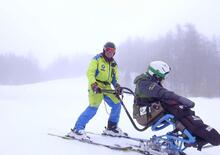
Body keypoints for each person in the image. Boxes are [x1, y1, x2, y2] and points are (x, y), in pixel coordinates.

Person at [133, 60, 220, 150]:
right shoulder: (143, 83)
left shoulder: (152, 82)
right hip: (143, 115)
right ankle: (196, 131)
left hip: (152, 111)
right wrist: (179, 99)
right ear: (156, 74)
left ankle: (196, 130)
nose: (164, 78)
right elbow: (161, 93)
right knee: (170, 103)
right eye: (163, 76)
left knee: (178, 107)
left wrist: (180, 103)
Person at [67, 42, 127, 139]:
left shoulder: (114, 64)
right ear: (104, 50)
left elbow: (114, 78)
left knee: (117, 104)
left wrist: (117, 86)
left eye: (112, 51)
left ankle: (111, 128)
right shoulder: (97, 59)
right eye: (108, 50)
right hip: (96, 85)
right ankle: (77, 129)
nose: (110, 52)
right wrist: (94, 85)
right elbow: (90, 73)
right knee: (93, 107)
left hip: (106, 87)